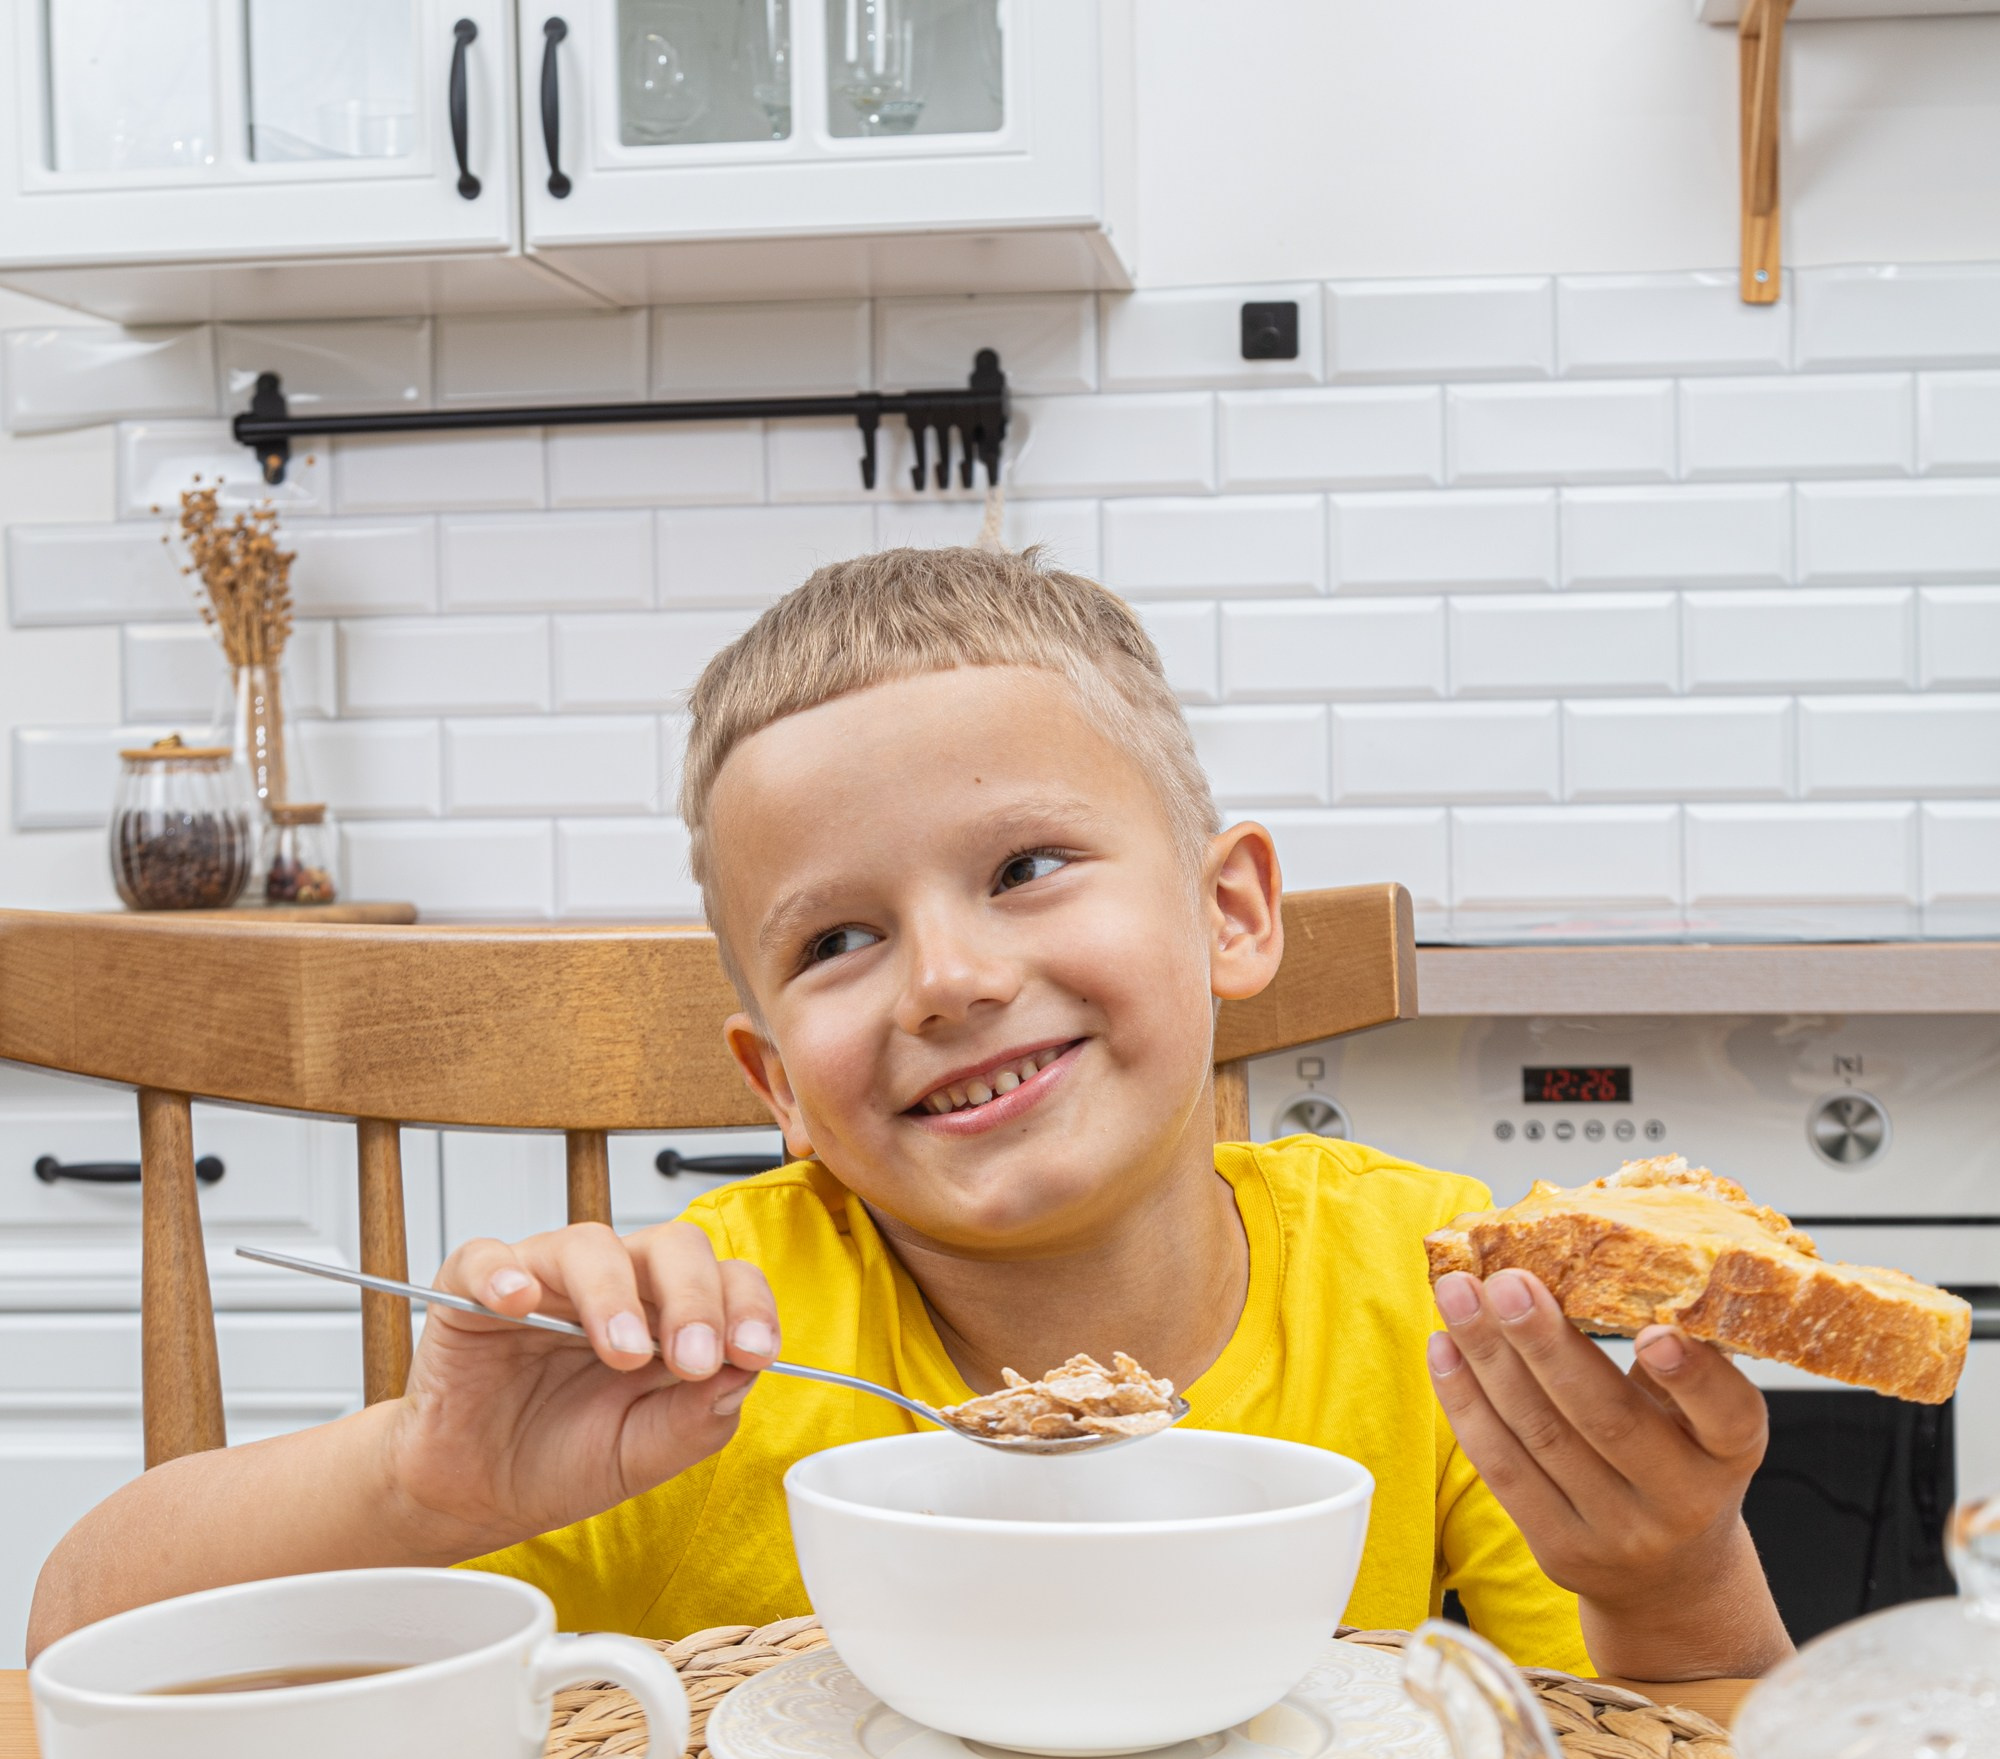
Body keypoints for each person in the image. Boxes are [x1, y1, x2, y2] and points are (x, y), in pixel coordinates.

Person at [29, 548, 1791, 1683]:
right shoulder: (692, 1356)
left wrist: (1667, 1571)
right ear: (776, 1083)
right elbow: (80, 1646)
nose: (946, 978)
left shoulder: (1423, 1285)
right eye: (840, 939)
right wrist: (417, 1484)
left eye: (1027, 867)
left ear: (1232, 914)